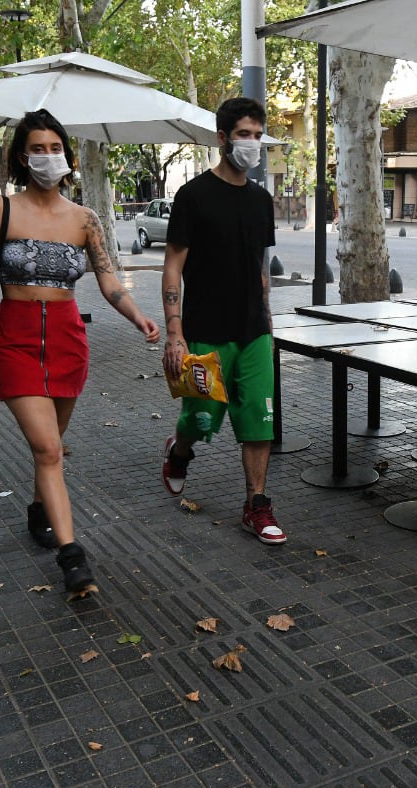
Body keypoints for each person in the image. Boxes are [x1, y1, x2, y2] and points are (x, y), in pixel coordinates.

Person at [0, 109, 160, 593]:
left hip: (67, 342)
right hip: (15, 342)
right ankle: (72, 556)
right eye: (37, 149)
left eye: (55, 147)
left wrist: (138, 316)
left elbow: (108, 279)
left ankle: (41, 507)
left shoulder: (85, 219)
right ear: (23, 157)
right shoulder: (1, 210)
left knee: (52, 450)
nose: (48, 156)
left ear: (67, 154)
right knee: (46, 448)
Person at [159, 97, 285, 545]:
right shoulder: (192, 196)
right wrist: (174, 334)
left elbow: (260, 266)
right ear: (222, 138)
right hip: (205, 331)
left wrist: (268, 326)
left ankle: (257, 504)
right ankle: (179, 451)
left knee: (258, 419)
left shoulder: (260, 200)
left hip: (253, 331)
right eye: (243, 135)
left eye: (257, 135)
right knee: (202, 419)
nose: (251, 144)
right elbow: (172, 266)